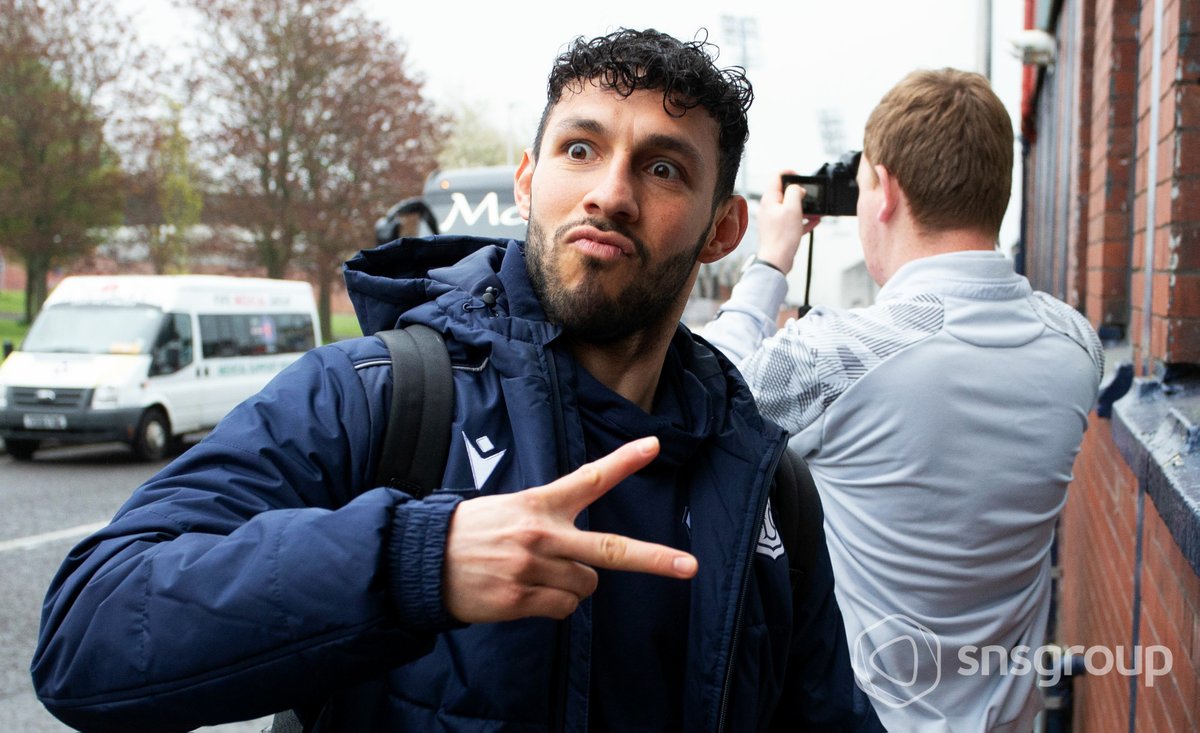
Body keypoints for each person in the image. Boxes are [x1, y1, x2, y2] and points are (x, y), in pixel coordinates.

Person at [31, 29, 880, 732]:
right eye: (579, 149)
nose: (610, 193)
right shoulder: (373, 394)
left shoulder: (768, 485)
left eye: (663, 168)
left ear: (722, 228)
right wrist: (414, 560)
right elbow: (87, 632)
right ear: (527, 179)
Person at [704, 68, 1104, 732]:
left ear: (884, 191)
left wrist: (771, 260)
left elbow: (704, 385)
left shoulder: (835, 354)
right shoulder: (1075, 345)